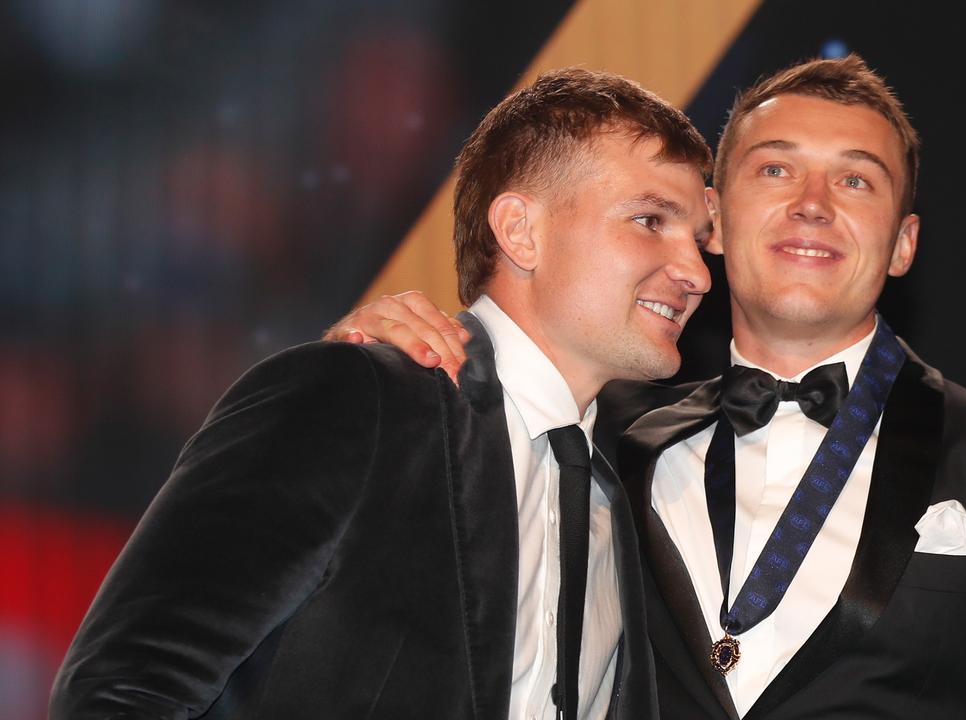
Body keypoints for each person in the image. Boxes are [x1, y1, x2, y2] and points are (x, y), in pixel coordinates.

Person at [328, 54, 966, 719]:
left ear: (903, 244)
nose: (813, 205)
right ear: (711, 218)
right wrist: (377, 352)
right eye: (776, 169)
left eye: (856, 182)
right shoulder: (603, 444)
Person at [50, 68, 716, 720]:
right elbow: (121, 692)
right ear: (521, 231)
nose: (694, 272)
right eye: (651, 220)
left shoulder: (629, 497)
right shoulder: (353, 398)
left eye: (699, 238)